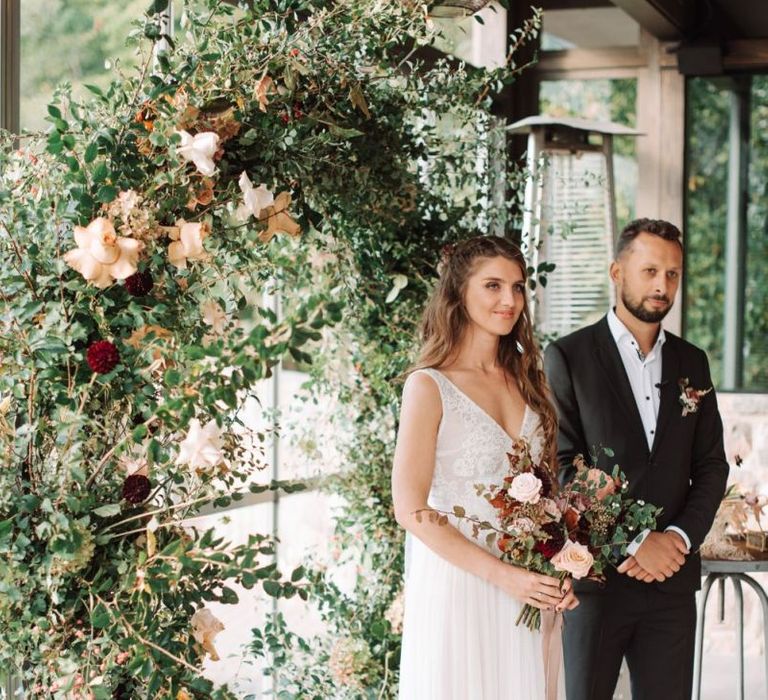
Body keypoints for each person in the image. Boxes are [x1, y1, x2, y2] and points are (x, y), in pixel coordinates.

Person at [544, 218, 729, 700]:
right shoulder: (568, 356)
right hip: (598, 581)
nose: (662, 286)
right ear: (617, 272)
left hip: (671, 583)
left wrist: (679, 538)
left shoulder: (694, 362)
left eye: (672, 274)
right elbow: (564, 468)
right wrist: (635, 540)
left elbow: (711, 465)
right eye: (649, 271)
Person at [393, 235, 578, 700]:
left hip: (529, 584)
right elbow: (410, 509)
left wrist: (562, 566)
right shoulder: (429, 385)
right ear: (459, 293)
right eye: (493, 286)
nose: (509, 300)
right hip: (462, 586)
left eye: (517, 288)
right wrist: (504, 576)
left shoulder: (529, 380)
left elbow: (547, 492)